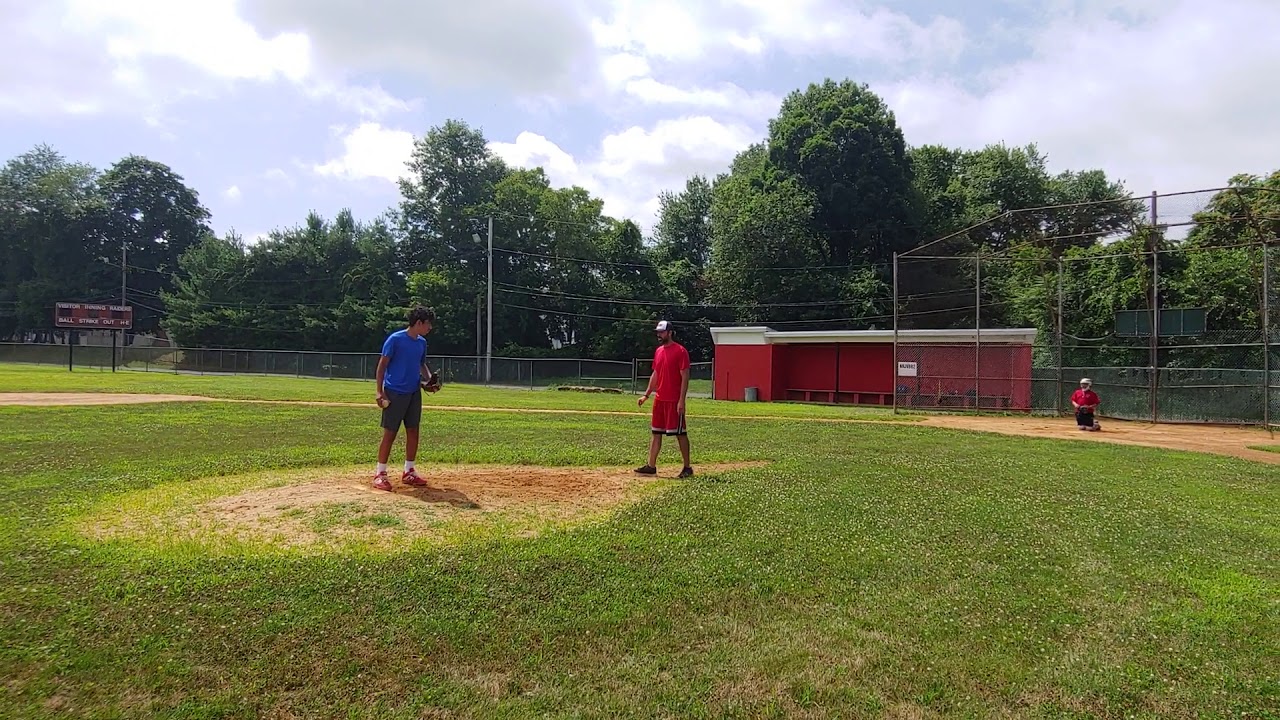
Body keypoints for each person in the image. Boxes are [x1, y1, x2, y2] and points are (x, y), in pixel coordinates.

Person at [372, 306, 438, 491]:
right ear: (418, 323)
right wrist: (379, 391)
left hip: (413, 392)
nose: (429, 328)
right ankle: (380, 473)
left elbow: (421, 364)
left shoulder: (421, 343)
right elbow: (382, 366)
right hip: (395, 392)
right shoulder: (395, 339)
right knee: (390, 433)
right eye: (428, 324)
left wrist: (429, 379)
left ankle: (409, 471)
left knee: (413, 431)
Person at [636, 320, 693, 478]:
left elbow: (685, 377)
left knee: (680, 434)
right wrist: (646, 394)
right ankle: (651, 466)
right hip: (659, 400)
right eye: (658, 332)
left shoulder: (681, 351)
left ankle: (687, 467)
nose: (659, 335)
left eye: (662, 332)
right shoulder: (659, 351)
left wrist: (682, 400)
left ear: (670, 333)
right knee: (656, 433)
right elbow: (656, 374)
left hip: (674, 401)